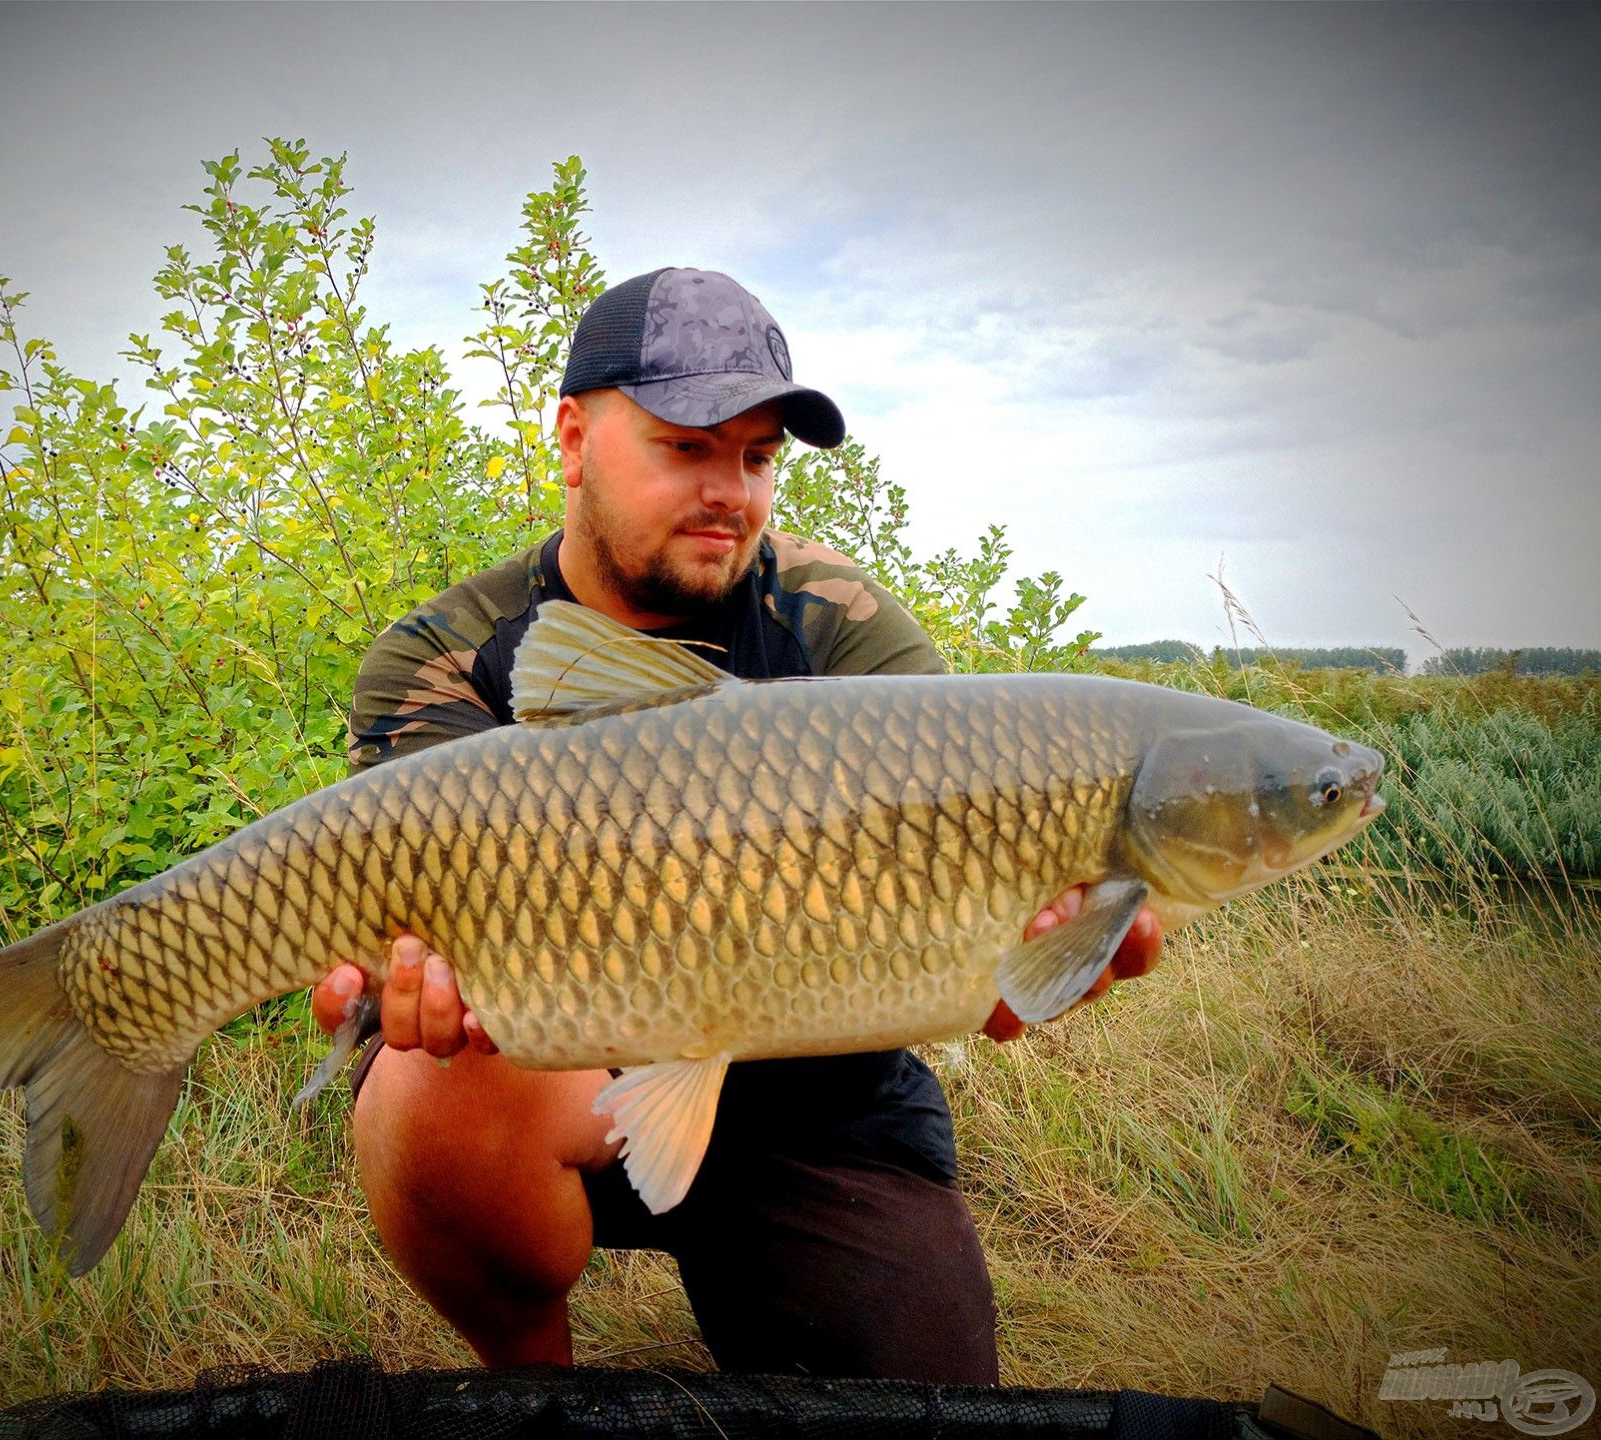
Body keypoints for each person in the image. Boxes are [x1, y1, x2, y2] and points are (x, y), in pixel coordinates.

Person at [310, 268, 1162, 1381]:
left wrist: (1038, 961)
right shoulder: (447, 655)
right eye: (686, 445)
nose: (732, 490)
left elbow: (993, 998)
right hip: (550, 1076)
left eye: (758, 457)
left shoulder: (843, 626)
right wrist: (409, 986)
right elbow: (415, 957)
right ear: (572, 438)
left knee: (930, 1414)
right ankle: (533, 1388)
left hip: (821, 1098)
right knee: (425, 1086)